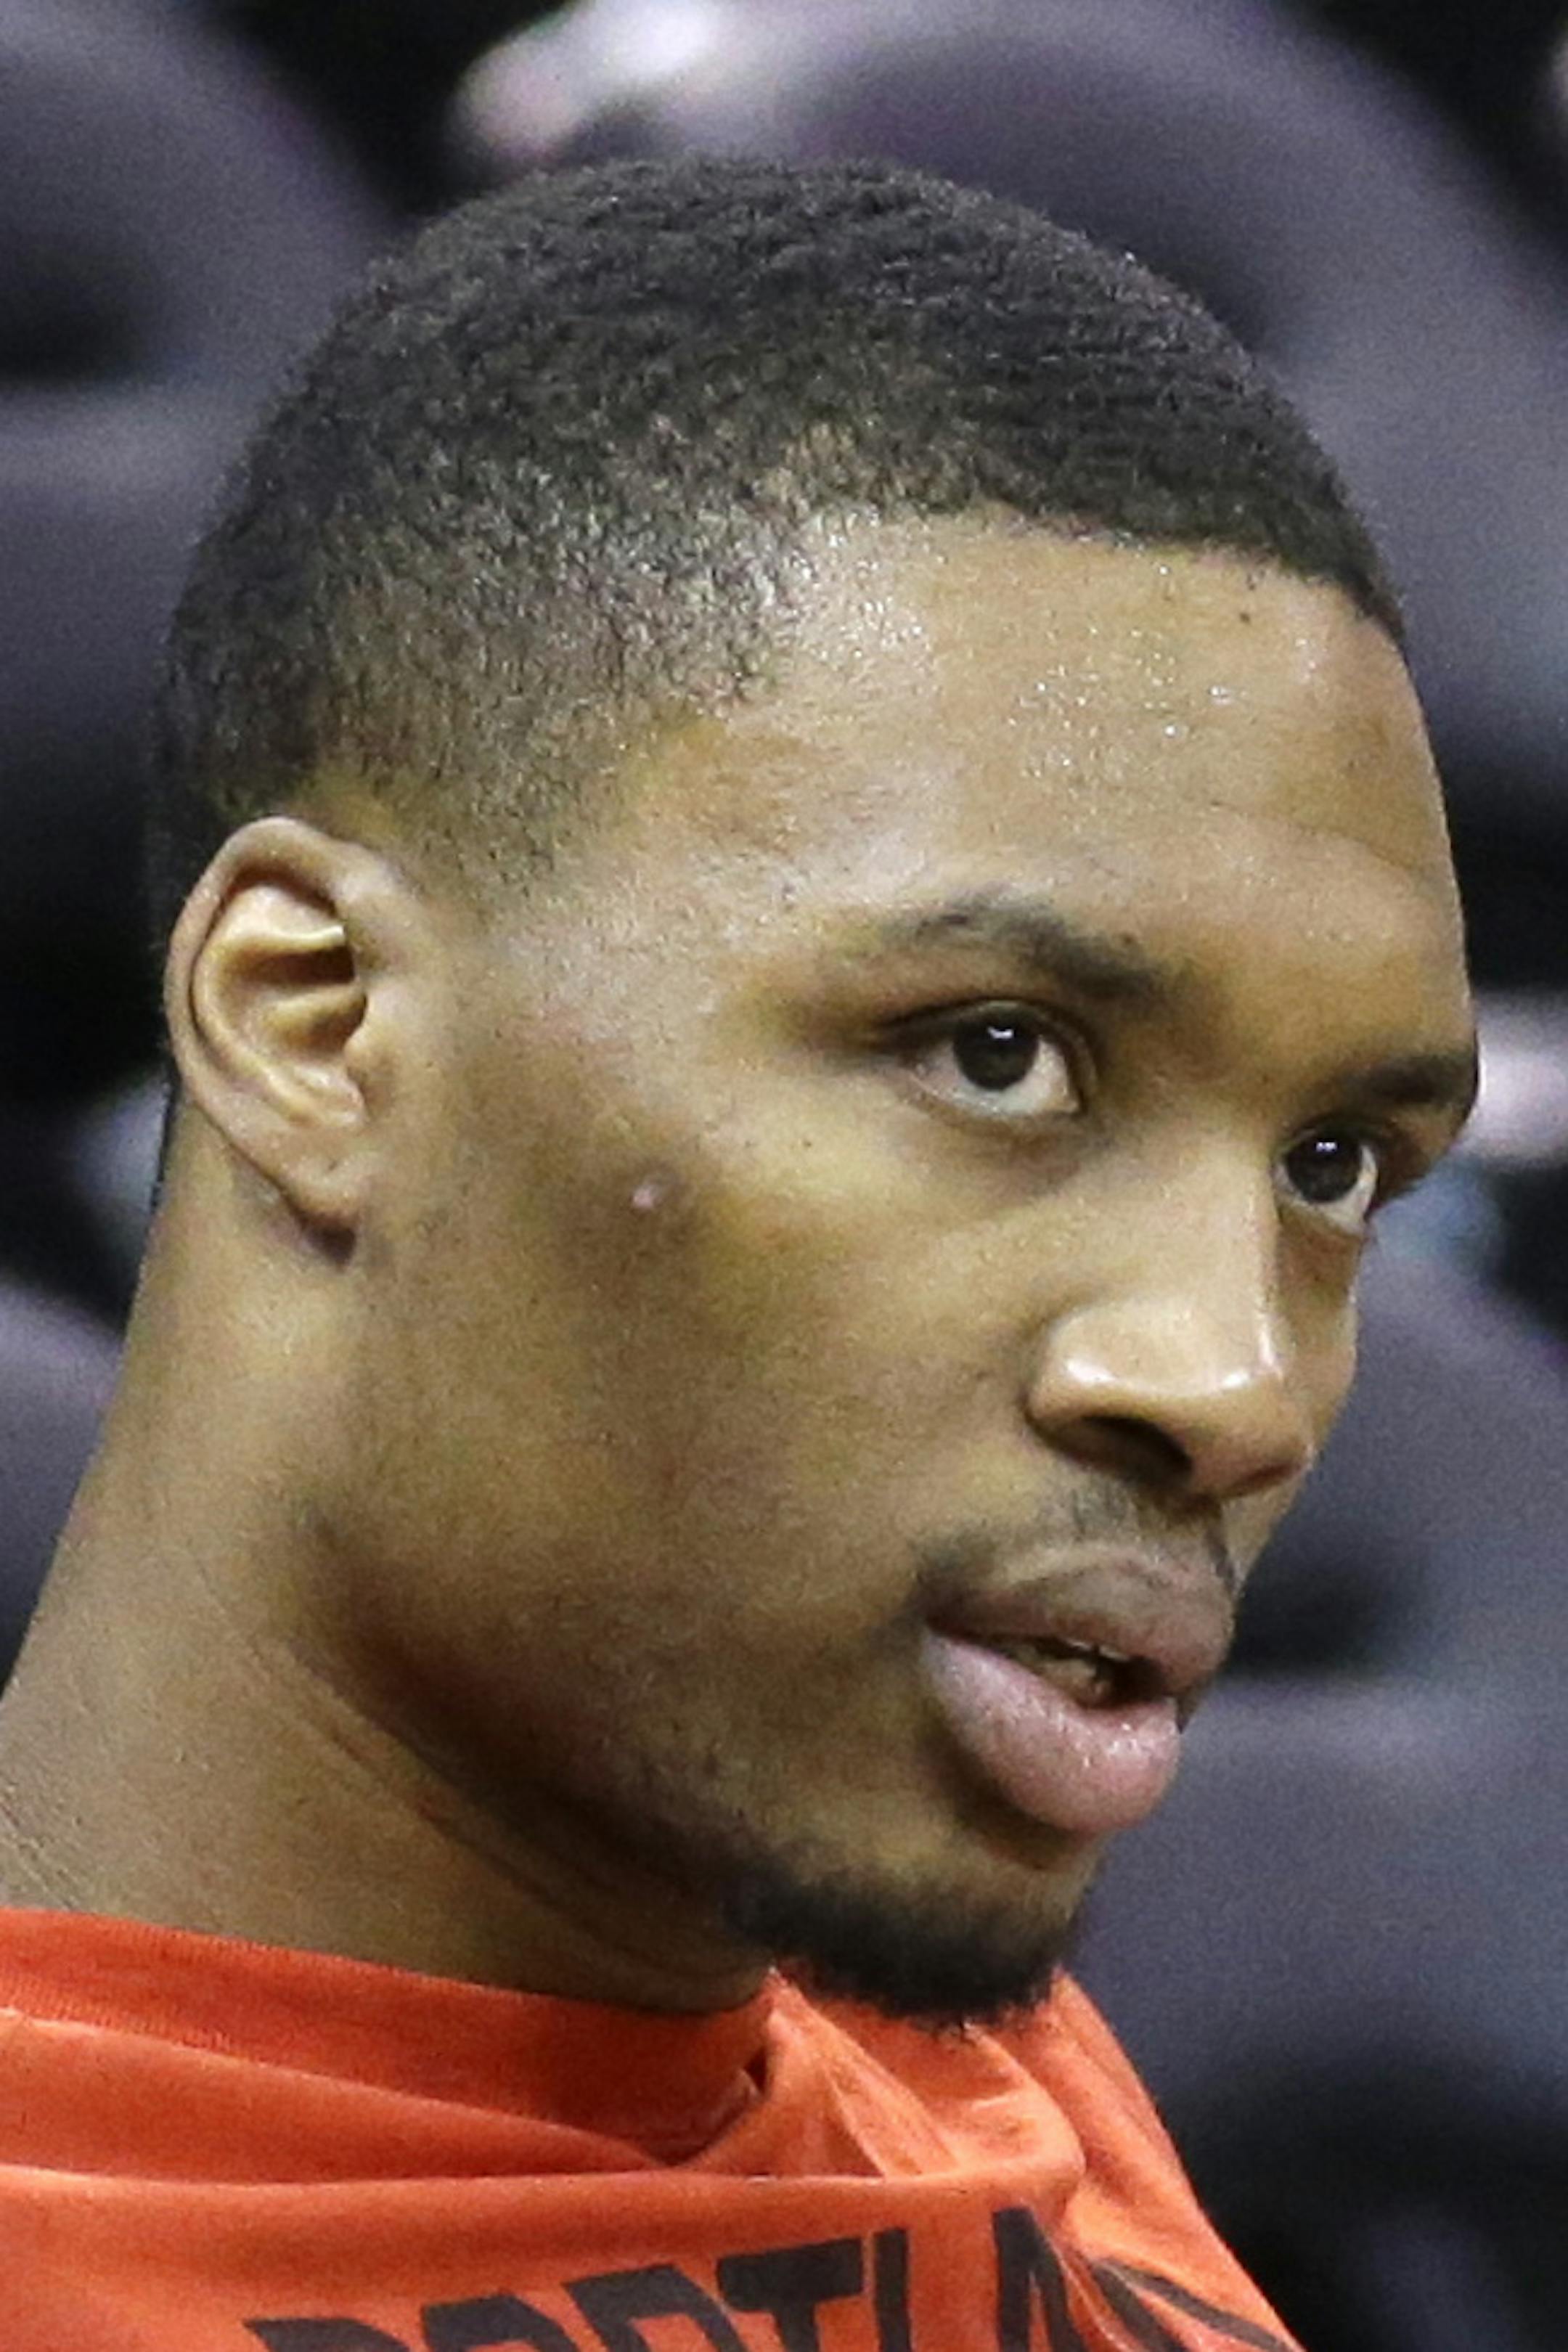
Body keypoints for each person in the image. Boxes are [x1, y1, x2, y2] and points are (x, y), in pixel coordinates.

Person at [0, 158, 1474, 2350]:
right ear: (315, 1028)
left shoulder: (918, 2015)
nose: (1242, 1386)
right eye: (997, 1056)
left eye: (1336, 1164)